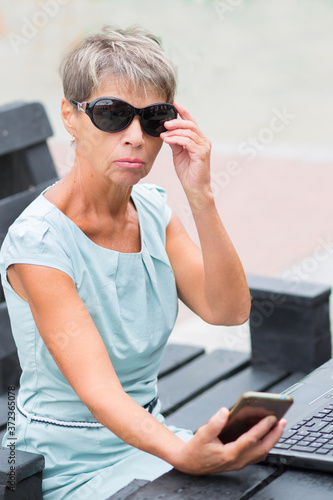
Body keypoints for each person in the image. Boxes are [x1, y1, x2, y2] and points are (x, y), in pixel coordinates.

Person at [0, 26, 286, 500]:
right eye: (113, 115)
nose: (135, 137)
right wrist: (181, 452)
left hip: (148, 437)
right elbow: (99, 389)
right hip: (64, 462)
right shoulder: (40, 245)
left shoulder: (152, 209)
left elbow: (227, 310)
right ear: (70, 116)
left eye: (153, 118)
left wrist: (201, 196)